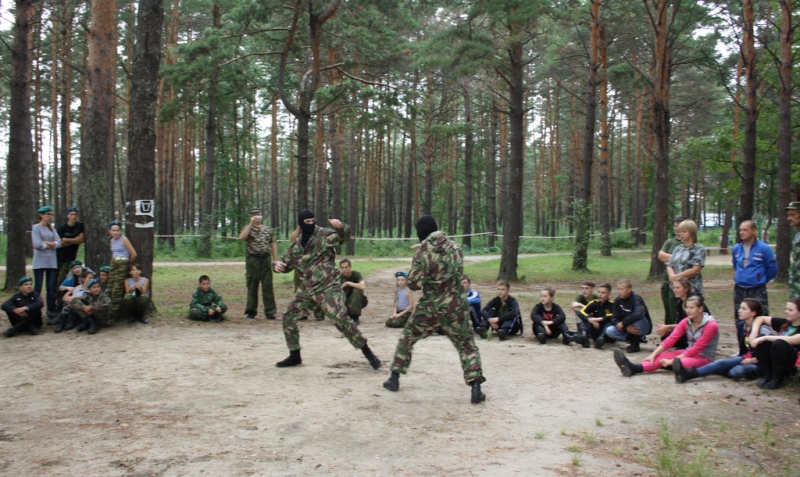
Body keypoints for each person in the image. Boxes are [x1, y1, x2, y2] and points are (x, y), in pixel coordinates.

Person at [382, 215, 486, 404]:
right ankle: (476, 387)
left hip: (430, 306)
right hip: (455, 305)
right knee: (466, 344)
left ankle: (394, 378)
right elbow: (457, 272)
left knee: (408, 337)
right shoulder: (456, 248)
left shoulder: (422, 253)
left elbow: (413, 284)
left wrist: (420, 259)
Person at [273, 209, 381, 369]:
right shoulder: (296, 245)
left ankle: (369, 354)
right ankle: (294, 356)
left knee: (342, 320)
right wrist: (276, 266)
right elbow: (285, 264)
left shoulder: (324, 234)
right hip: (307, 290)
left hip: (328, 287)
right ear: (301, 223)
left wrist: (341, 227)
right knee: (289, 317)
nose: (311, 224)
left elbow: (344, 238)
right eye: (307, 222)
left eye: (312, 221)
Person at [614, 295, 718, 377]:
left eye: (692, 307)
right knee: (661, 356)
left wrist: (673, 360)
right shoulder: (686, 321)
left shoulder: (711, 325)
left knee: (681, 362)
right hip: (688, 352)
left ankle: (671, 365)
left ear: (700, 309)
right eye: (687, 307)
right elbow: (670, 340)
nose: (688, 310)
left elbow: (696, 349)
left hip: (704, 357)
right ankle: (634, 368)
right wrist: (653, 354)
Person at [675, 298, 772, 383]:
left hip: (759, 362)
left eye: (744, 309)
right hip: (744, 357)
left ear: (753, 313)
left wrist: (752, 360)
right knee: (721, 363)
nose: (739, 311)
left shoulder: (763, 329)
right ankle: (690, 374)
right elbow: (744, 349)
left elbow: (769, 352)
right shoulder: (741, 326)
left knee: (735, 371)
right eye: (740, 308)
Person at [732, 220, 778, 355]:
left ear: (754, 231)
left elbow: (772, 269)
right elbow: (735, 265)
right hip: (740, 289)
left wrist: (760, 279)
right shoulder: (736, 248)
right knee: (740, 319)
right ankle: (742, 350)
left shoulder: (764, 249)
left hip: (757, 289)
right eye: (740, 229)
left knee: (760, 318)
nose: (742, 232)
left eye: (745, 230)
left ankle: (761, 351)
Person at [748, 297, 800, 389]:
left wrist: (765, 337)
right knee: (762, 340)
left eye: (790, 310)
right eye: (786, 309)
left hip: (789, 363)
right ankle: (766, 375)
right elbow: (760, 318)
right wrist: (754, 332)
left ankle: (777, 379)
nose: (786, 312)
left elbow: (791, 340)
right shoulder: (784, 323)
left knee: (778, 343)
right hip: (774, 360)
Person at [239, 207, 278, 320]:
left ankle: (270, 311)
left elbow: (273, 243)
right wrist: (250, 224)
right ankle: (251, 311)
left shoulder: (267, 229)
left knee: (267, 286)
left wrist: (275, 259)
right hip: (253, 260)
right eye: (254, 214)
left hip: (265, 259)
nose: (257, 216)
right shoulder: (248, 228)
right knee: (252, 285)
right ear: (251, 216)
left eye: (258, 214)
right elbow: (242, 238)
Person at [603, 280, 653, 353]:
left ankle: (635, 342)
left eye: (622, 289)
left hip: (641, 325)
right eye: (618, 289)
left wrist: (623, 323)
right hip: (626, 327)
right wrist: (623, 326)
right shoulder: (618, 300)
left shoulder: (636, 298)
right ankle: (630, 338)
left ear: (629, 290)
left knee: (636, 320)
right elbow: (614, 317)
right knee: (609, 330)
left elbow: (639, 313)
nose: (619, 291)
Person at [32, 205, 61, 316]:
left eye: (51, 214)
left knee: (50, 286)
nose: (50, 216)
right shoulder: (36, 228)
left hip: (51, 261)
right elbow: (37, 244)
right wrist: (51, 245)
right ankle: (35, 309)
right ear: (41, 215)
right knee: (38, 286)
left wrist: (47, 243)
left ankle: (51, 309)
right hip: (39, 261)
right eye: (47, 214)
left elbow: (59, 243)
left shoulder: (52, 228)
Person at [667, 219, 706, 301]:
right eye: (680, 231)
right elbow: (670, 265)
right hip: (676, 289)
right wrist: (671, 276)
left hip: (692, 289)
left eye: (684, 232)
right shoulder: (678, 248)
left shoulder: (699, 249)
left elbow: (695, 269)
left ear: (692, 233)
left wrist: (677, 277)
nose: (681, 234)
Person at [657, 217, 686, 326]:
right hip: (667, 281)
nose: (677, 228)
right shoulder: (670, 242)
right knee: (668, 309)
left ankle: (679, 331)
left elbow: (687, 261)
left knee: (678, 310)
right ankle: (668, 331)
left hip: (682, 281)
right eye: (675, 226)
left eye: (679, 226)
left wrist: (670, 259)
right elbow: (661, 255)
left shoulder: (687, 244)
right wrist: (677, 258)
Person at [108, 220, 137, 314]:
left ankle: (114, 311)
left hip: (123, 262)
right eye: (113, 230)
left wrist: (128, 264)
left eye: (117, 230)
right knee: (110, 285)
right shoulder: (111, 240)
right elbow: (114, 253)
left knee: (117, 287)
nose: (116, 232)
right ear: (110, 231)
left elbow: (134, 254)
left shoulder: (123, 239)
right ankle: (108, 308)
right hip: (114, 262)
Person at [573, 283, 614, 349]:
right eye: (599, 292)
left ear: (609, 294)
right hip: (596, 330)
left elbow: (612, 315)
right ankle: (584, 337)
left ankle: (601, 340)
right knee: (587, 316)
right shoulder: (595, 303)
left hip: (607, 334)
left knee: (610, 322)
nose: (600, 295)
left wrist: (598, 319)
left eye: (603, 293)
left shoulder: (612, 305)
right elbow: (581, 312)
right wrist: (589, 319)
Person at [55, 206, 85, 286]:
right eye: (71, 214)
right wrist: (75, 240)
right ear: (67, 216)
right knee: (54, 279)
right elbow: (59, 244)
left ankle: (60, 293)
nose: (73, 216)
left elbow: (81, 239)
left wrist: (66, 239)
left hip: (69, 258)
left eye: (75, 214)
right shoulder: (62, 228)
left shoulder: (79, 226)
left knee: (61, 279)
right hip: (58, 256)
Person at [340, 258, 368, 325]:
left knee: (357, 290)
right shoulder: (339, 277)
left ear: (350, 267)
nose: (344, 269)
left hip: (357, 302)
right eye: (342, 268)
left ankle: (354, 316)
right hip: (344, 302)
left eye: (346, 267)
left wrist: (347, 283)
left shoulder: (356, 274)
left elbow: (362, 286)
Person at [786, 202, 800, 298]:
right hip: (796, 288)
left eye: (793, 215)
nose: (789, 218)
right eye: (788, 215)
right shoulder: (796, 234)